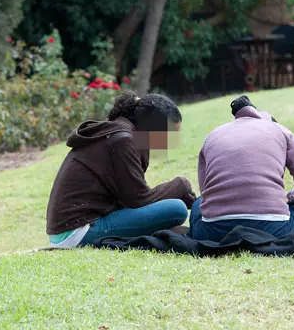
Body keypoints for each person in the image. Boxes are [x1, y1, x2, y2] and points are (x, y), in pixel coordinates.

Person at [190, 95, 294, 245]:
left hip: (212, 231)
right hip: (272, 228)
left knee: (198, 203)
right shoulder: (280, 130)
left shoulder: (212, 136)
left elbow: (206, 194)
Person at [46, 91, 196, 248]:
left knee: (171, 207)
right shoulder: (123, 140)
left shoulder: (124, 133)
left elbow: (131, 197)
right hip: (77, 231)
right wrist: (179, 186)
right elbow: (138, 199)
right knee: (176, 209)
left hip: (73, 229)